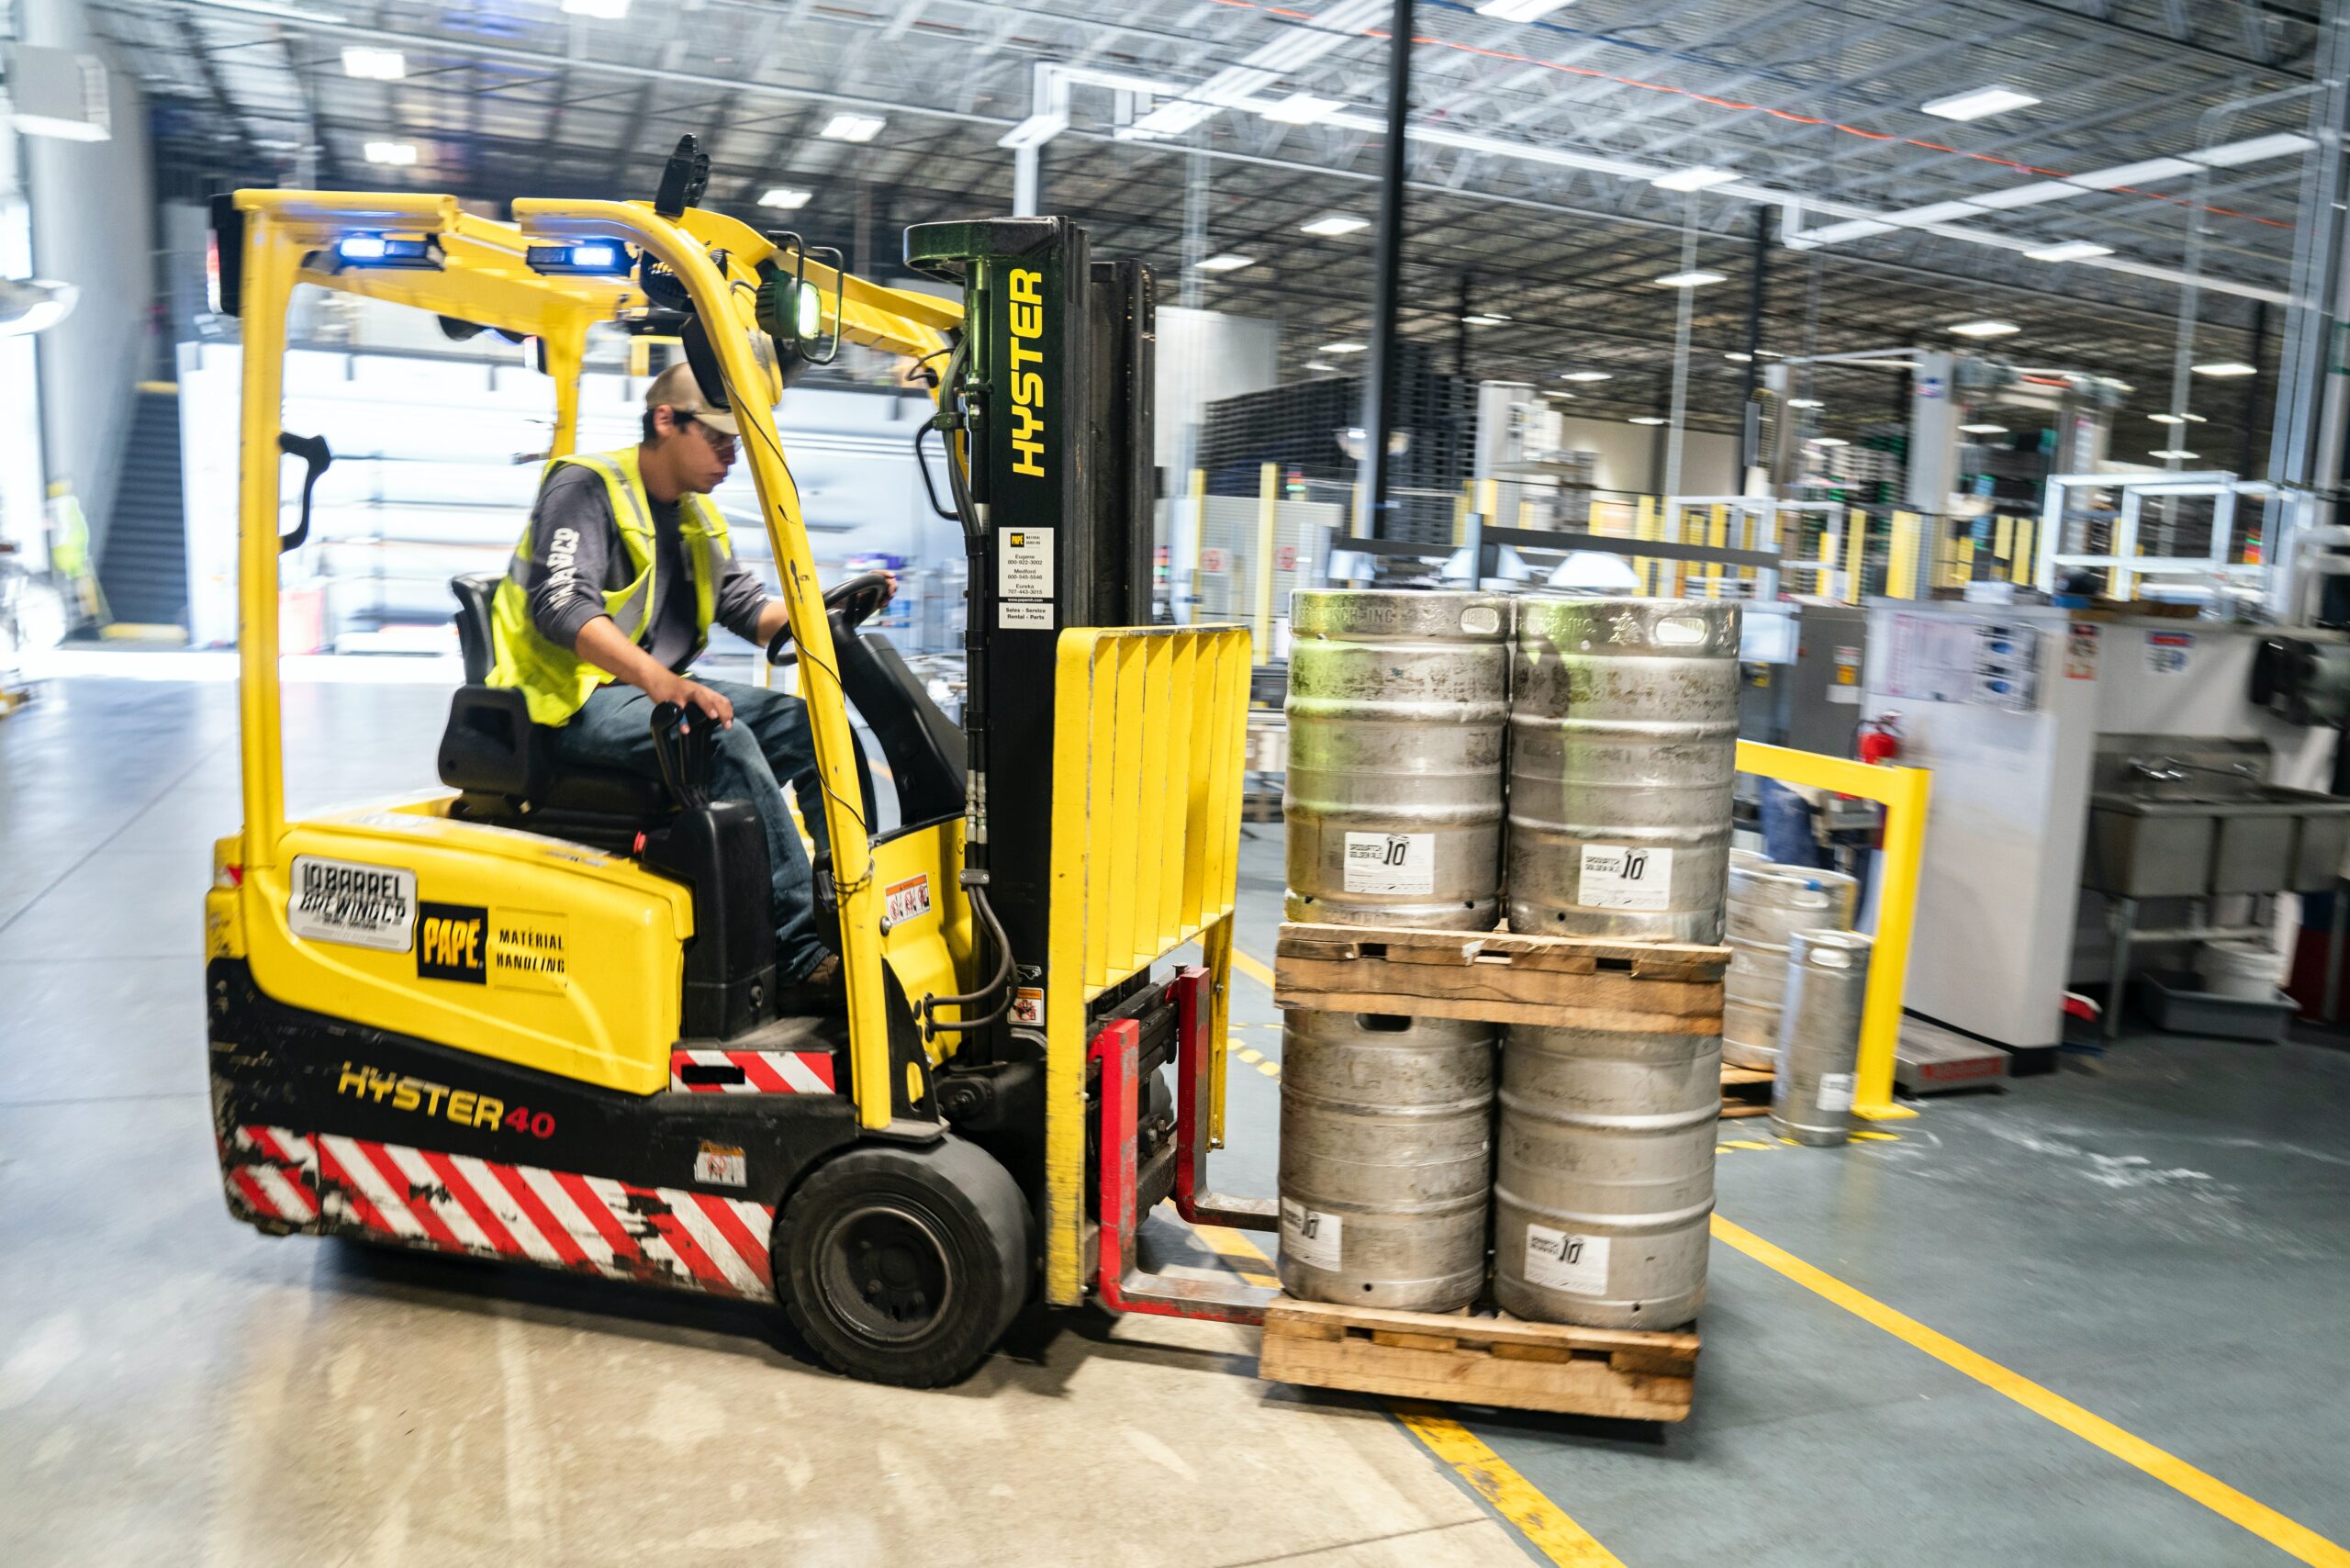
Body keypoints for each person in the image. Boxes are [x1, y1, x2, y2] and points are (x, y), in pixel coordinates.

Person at [486, 361, 889, 991]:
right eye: (719, 440)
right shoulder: (587, 487)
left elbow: (751, 612)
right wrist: (661, 682)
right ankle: (799, 953)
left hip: (644, 696)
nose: (730, 457)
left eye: (735, 443)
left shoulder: (696, 517)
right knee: (719, 734)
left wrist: (830, 607)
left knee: (810, 726)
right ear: (667, 421)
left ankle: (848, 908)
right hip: (572, 703)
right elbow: (561, 603)